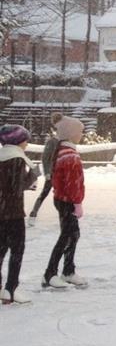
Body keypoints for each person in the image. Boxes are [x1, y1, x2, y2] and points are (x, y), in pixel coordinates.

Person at [43, 116, 87, 290]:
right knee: (67, 236)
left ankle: (68, 270)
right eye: (80, 132)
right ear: (71, 134)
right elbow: (72, 182)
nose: (82, 135)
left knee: (72, 235)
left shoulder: (65, 151)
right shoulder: (69, 155)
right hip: (66, 201)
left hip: (63, 200)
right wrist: (76, 202)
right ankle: (50, 273)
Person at [0, 125, 40, 304]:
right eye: (25, 140)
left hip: (1, 212)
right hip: (13, 213)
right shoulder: (16, 158)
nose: (27, 144)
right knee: (17, 250)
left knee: (0, 251)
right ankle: (10, 289)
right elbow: (16, 187)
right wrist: (33, 176)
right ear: (17, 141)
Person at [28, 112, 63, 224]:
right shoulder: (52, 142)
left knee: (61, 196)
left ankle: (63, 216)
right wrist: (47, 172)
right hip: (53, 174)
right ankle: (33, 214)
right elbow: (45, 158)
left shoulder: (63, 141)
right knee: (44, 194)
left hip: (60, 174)